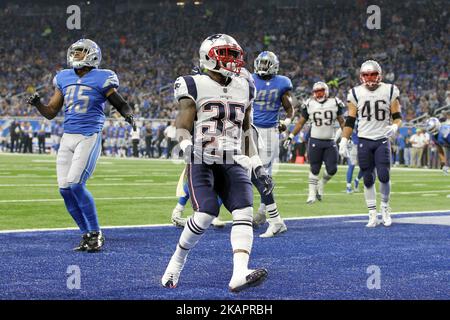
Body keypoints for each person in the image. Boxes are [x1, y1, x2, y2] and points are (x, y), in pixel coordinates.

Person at [161, 34, 271, 292]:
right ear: (208, 56)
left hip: (232, 159)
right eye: (226, 54)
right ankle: (176, 262)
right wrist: (188, 148)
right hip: (203, 158)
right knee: (206, 213)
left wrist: (257, 166)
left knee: (243, 211)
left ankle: (240, 273)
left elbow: (246, 131)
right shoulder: (193, 84)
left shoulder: (245, 85)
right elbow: (183, 123)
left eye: (234, 55)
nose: (233, 60)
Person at [26, 39, 136, 252]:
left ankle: (96, 233)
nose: (75, 55)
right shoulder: (63, 77)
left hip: (88, 135)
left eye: (80, 52)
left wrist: (128, 114)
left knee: (76, 184)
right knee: (65, 190)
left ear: (92, 55)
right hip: (68, 137)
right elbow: (50, 113)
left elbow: (119, 103)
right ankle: (86, 234)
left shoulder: (102, 77)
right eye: (74, 52)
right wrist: (38, 103)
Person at [339, 60, 402, 227]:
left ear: (379, 74)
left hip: (382, 139)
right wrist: (344, 139)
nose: (370, 78)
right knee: (367, 178)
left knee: (384, 175)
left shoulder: (389, 90)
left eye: (373, 74)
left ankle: (386, 208)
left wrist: (395, 127)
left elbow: (397, 117)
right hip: (364, 140)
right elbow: (351, 119)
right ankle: (372, 213)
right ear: (361, 76)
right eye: (366, 74)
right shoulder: (355, 92)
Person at [250, 51, 296, 237]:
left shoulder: (282, 82)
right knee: (250, 172)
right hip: (251, 129)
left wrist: (286, 123)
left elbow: (289, 109)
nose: (261, 67)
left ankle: (269, 216)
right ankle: (265, 214)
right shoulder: (249, 79)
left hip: (269, 132)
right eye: (260, 63)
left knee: (261, 175)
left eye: (265, 64)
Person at [284, 82, 345, 203]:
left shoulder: (335, 103)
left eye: (321, 91)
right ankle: (311, 194)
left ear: (326, 91)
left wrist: (345, 139)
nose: (319, 94)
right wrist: (291, 136)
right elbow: (301, 123)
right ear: (313, 93)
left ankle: (321, 184)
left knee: (332, 169)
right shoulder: (309, 104)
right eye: (317, 92)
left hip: (330, 141)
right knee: (314, 168)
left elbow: (342, 122)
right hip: (315, 141)